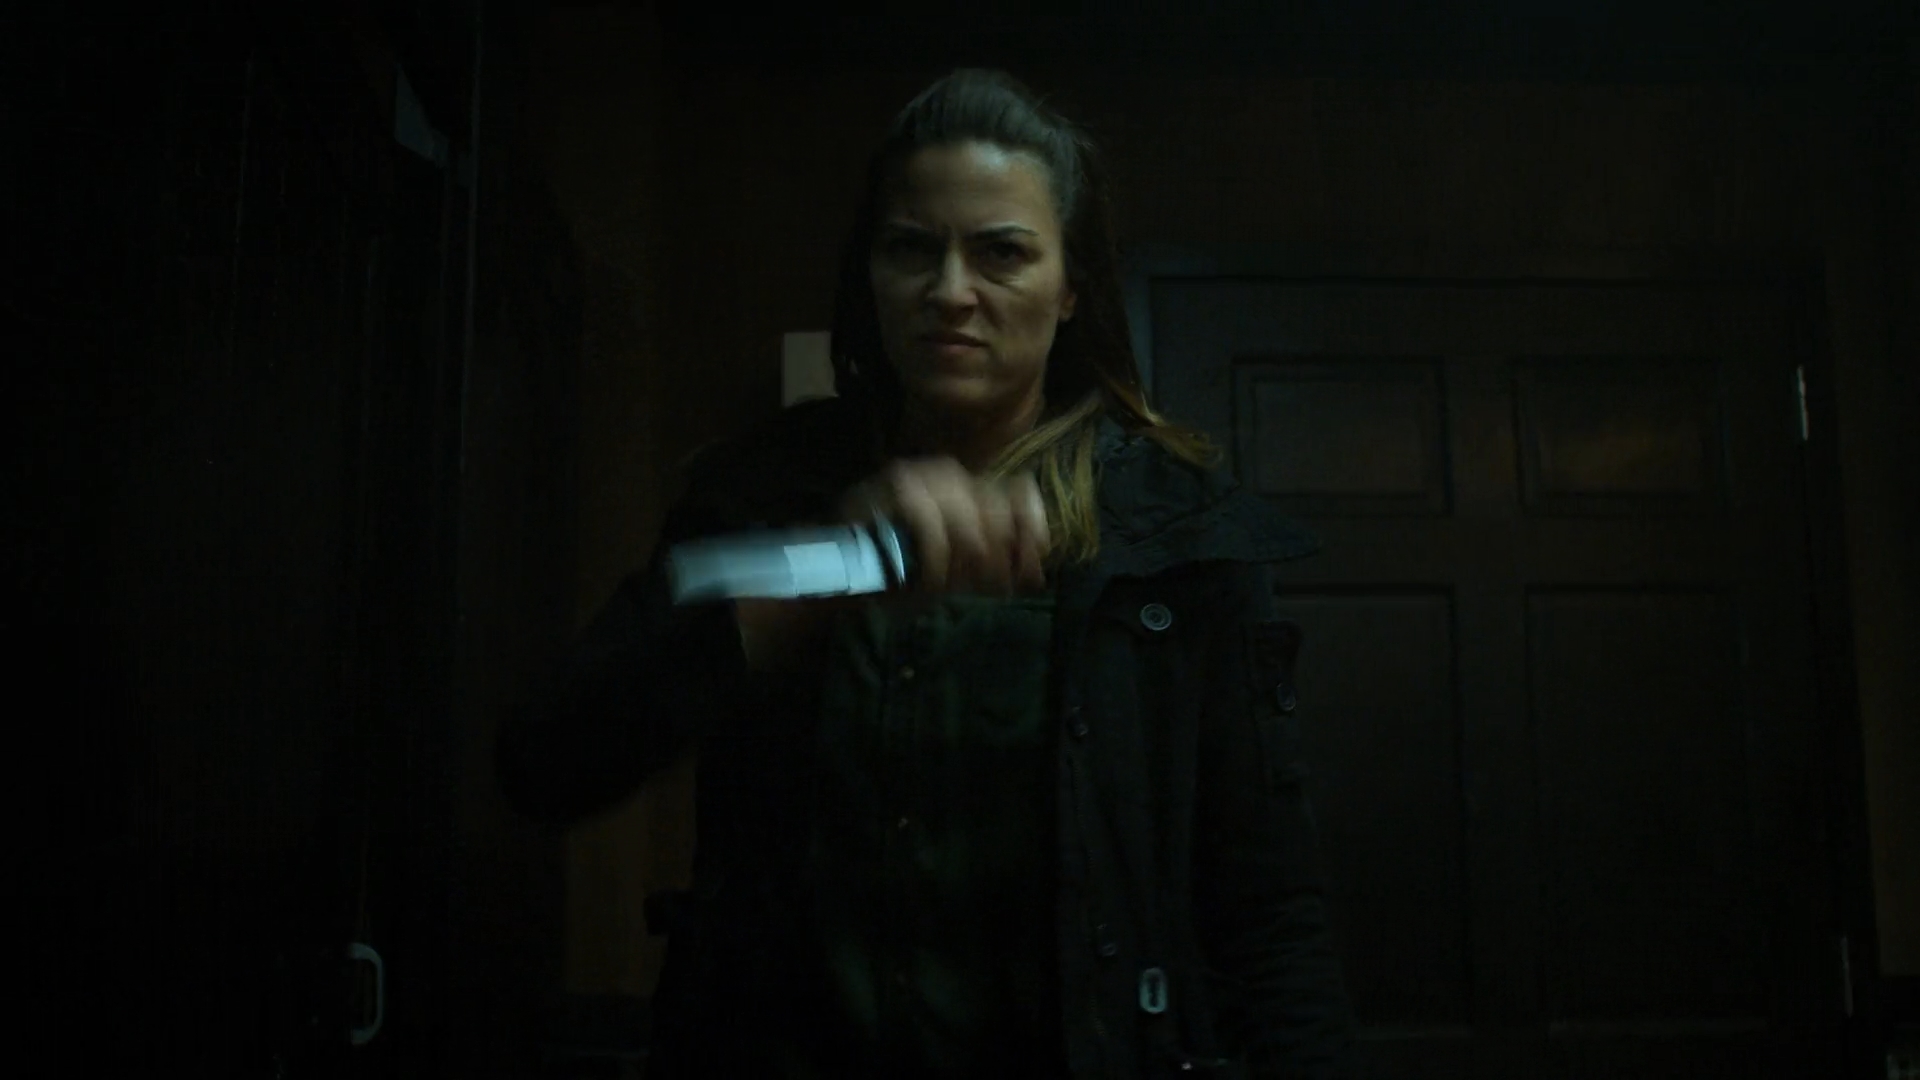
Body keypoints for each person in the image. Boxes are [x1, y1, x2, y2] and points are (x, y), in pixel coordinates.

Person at [497, 68, 1356, 1079]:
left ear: (1070, 286)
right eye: (912, 248)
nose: (950, 292)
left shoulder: (1174, 530)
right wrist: (822, 572)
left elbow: (1269, 904)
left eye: (1002, 253)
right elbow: (546, 758)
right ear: (870, 273)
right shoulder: (765, 491)